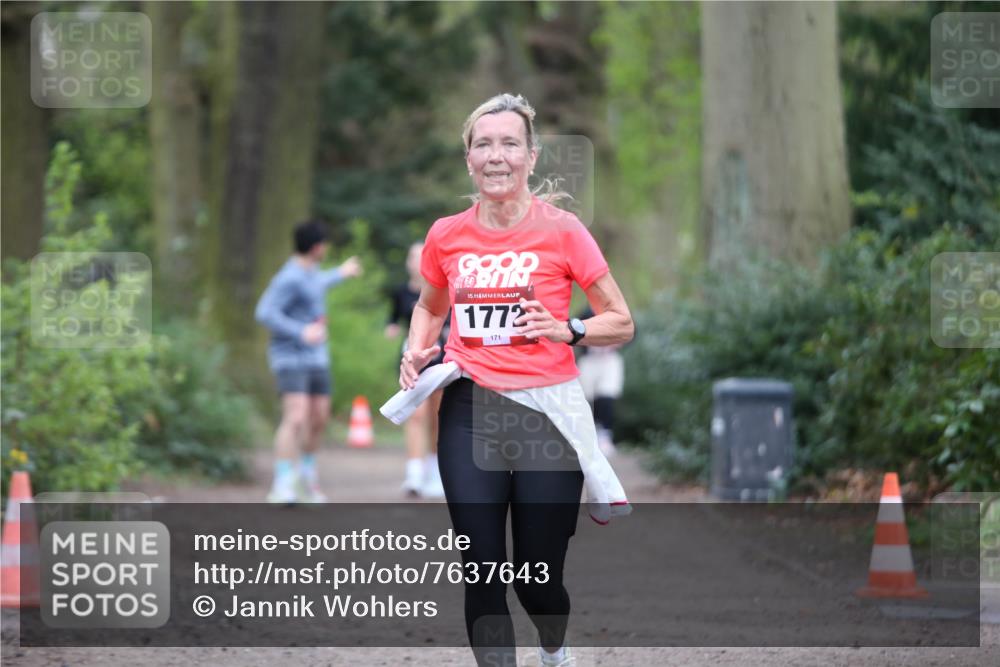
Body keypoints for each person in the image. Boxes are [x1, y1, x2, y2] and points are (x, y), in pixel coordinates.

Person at [399, 94, 634, 667]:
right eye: (483, 144)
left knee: (537, 578)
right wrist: (415, 347)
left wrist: (566, 327)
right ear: (469, 160)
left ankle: (554, 648)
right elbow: (430, 306)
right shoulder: (446, 235)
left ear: (531, 157)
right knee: (481, 567)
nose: (495, 155)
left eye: (509, 144)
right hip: (468, 407)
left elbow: (620, 321)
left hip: (545, 414)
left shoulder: (563, 231)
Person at [255, 220, 362, 504]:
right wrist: (301, 331)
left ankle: (306, 476)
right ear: (316, 247)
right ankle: (282, 483)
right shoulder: (287, 278)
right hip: (289, 357)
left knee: (319, 417)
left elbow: (318, 283)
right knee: (296, 416)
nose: (326, 248)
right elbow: (264, 312)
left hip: (317, 357)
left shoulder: (310, 272)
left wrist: (341, 273)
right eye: (324, 244)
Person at [385, 241, 447, 498]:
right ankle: (414, 473)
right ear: (408, 263)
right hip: (412, 356)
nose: (417, 262)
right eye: (413, 257)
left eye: (421, 257)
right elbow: (394, 316)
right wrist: (392, 327)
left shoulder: (442, 290)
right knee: (417, 415)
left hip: (439, 355)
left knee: (436, 417)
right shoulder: (401, 292)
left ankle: (434, 470)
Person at [574, 305, 626, 456]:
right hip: (589, 360)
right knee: (586, 399)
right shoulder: (587, 312)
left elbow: (631, 331)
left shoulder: (617, 310)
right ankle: (589, 436)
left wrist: (618, 341)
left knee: (607, 396)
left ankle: (605, 435)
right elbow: (572, 331)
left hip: (609, 360)